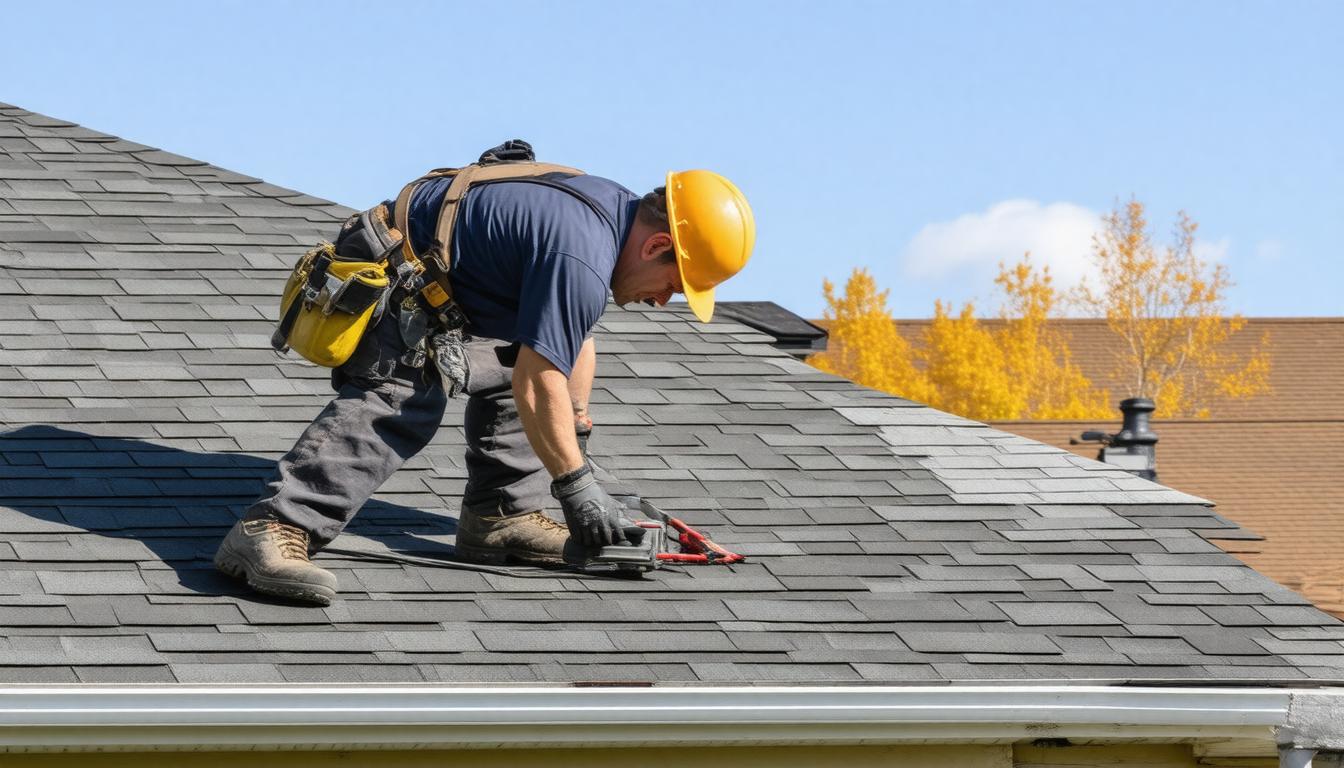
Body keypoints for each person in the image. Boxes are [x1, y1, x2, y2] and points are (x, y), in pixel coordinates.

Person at [213, 148, 755, 606]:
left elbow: (570, 342)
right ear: (658, 246)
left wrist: (577, 439)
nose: (663, 301)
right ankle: (274, 527)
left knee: (524, 363)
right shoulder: (581, 251)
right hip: (397, 275)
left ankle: (501, 516)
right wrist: (578, 487)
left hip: (452, 286)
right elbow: (541, 381)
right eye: (675, 286)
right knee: (401, 399)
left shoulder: (608, 222)